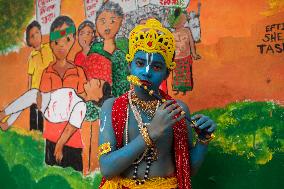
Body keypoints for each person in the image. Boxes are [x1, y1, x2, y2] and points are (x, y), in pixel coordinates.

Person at [98, 19, 216, 189]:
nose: (146, 72)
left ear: (167, 73)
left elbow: (188, 170)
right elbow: (107, 169)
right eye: (140, 63)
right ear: (129, 65)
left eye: (156, 67)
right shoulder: (111, 107)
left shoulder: (177, 110)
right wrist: (151, 133)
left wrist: (203, 141)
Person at [39, 15, 89, 171]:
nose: (61, 46)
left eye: (67, 40)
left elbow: (83, 105)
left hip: (73, 140)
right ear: (51, 44)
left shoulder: (78, 72)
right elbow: (44, 106)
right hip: (51, 138)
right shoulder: (47, 73)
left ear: (73, 40)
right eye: (56, 42)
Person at [0, 88, 86, 133]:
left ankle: (4, 114)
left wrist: (43, 102)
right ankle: (6, 123)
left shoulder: (80, 105)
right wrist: (44, 95)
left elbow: (65, 118)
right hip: (48, 99)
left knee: (32, 94)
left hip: (50, 108)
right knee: (26, 100)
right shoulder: (73, 92)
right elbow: (56, 92)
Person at [26, 20, 54, 132]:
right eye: (32, 36)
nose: (36, 37)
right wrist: (29, 91)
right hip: (35, 88)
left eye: (37, 32)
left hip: (47, 87)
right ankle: (33, 130)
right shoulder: (32, 56)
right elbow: (30, 75)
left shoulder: (48, 48)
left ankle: (42, 131)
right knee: (34, 109)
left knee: (44, 109)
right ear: (29, 41)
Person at [171, 8, 201, 95]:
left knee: (185, 74)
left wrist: (194, 54)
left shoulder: (187, 30)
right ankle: (177, 89)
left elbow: (191, 43)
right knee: (176, 75)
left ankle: (184, 90)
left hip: (185, 56)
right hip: (176, 58)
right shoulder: (172, 34)